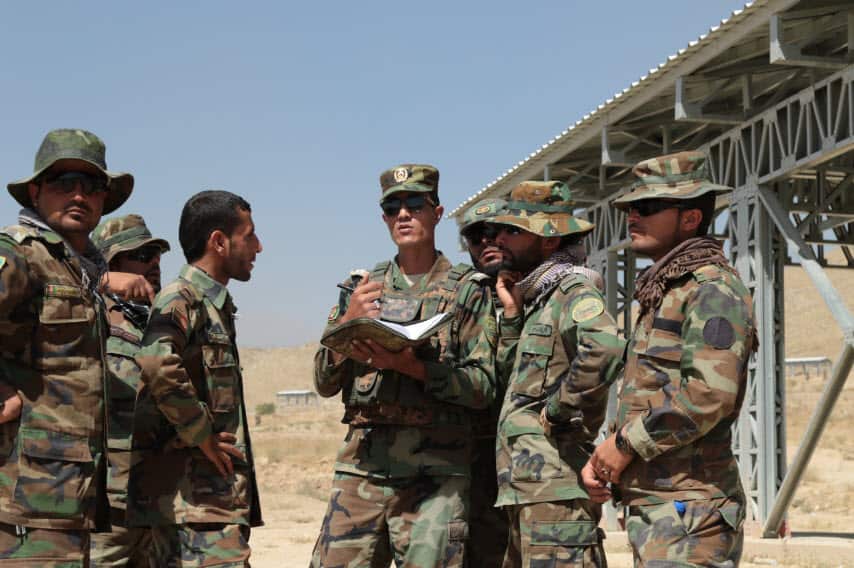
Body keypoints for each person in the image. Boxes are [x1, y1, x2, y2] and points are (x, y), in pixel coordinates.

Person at [311, 164, 497, 567]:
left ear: (437, 212)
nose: (404, 214)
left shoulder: (468, 291)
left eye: (415, 203)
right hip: (363, 470)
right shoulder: (360, 288)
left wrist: (413, 367)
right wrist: (346, 326)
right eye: (393, 206)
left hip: (436, 476)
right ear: (384, 218)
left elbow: (483, 387)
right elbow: (323, 382)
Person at [582, 151, 757, 566]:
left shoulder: (711, 290)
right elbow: (650, 393)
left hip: (690, 509)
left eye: (647, 207)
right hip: (662, 504)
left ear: (691, 218)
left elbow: (708, 395)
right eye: (630, 208)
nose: (632, 217)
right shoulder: (667, 290)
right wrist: (608, 460)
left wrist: (623, 446)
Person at [0, 128, 133, 564]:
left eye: (91, 185)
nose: (78, 195)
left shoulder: (77, 269)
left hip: (69, 492)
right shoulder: (22, 254)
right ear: (36, 191)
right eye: (63, 183)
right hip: (29, 495)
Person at [491, 180, 624, 567]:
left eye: (514, 230)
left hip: (556, 493)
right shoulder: (537, 298)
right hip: (528, 489)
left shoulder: (572, 290)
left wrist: (558, 410)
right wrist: (513, 315)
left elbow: (607, 347)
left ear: (549, 242)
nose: (499, 238)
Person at [128, 191, 264, 566]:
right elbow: (156, 360)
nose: (259, 246)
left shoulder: (214, 305)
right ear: (219, 242)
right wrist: (200, 433)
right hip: (193, 506)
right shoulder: (181, 298)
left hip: (207, 505)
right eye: (249, 235)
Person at [89, 214, 170, 566]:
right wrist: (99, 282)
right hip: (111, 500)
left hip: (160, 498)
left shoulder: (160, 319)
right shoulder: (89, 316)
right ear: (113, 263)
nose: (153, 264)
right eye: (141, 255)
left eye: (156, 256)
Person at [457, 197, 510, 567]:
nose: (488, 241)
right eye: (477, 236)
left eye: (497, 232)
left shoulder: (548, 289)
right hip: (470, 455)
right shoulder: (458, 296)